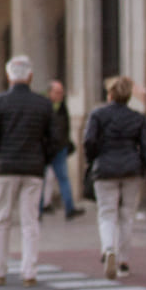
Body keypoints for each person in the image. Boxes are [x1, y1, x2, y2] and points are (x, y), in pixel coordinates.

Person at [0, 55, 56, 287]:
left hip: (5, 166)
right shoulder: (43, 104)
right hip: (33, 167)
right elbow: (54, 139)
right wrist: (44, 159)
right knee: (30, 221)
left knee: (1, 219)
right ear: (30, 76)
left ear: (9, 76)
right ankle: (29, 271)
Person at [84, 76, 146, 279]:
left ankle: (109, 249)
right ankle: (123, 261)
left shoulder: (97, 114)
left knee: (106, 213)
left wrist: (93, 160)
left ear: (110, 94)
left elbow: (89, 140)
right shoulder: (137, 118)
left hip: (105, 169)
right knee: (127, 215)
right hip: (131, 170)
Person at [41, 80, 85, 220]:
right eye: (57, 92)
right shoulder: (44, 106)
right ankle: (39, 209)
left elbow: (64, 128)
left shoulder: (62, 107)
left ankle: (69, 208)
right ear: (50, 92)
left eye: (62, 92)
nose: (60, 95)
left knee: (63, 178)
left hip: (60, 148)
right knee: (41, 180)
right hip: (46, 148)